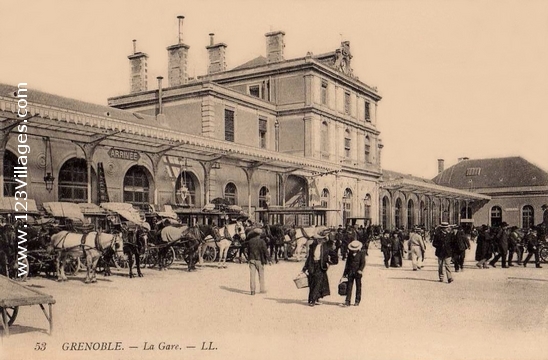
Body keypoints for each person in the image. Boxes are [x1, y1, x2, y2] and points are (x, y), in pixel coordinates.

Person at [302, 229, 338, 307]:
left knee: (317, 282)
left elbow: (335, 257)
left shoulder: (326, 247)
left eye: (320, 239)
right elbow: (309, 258)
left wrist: (329, 263)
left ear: (323, 239)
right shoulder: (313, 246)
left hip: (320, 266)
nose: (318, 240)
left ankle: (313, 300)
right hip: (312, 265)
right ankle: (313, 298)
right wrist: (304, 268)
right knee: (312, 282)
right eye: (317, 239)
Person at [247, 225, 270, 295]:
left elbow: (248, 251)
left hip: (251, 259)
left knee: (252, 275)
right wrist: (269, 259)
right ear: (260, 234)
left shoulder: (250, 241)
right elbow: (265, 251)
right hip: (259, 260)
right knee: (261, 275)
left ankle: (252, 290)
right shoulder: (262, 241)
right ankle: (262, 289)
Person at [342, 240, 366, 307]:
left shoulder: (361, 254)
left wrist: (360, 270)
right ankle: (347, 300)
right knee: (349, 286)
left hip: (358, 272)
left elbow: (363, 263)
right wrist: (345, 273)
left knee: (358, 286)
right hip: (350, 271)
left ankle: (357, 300)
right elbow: (347, 264)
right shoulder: (350, 254)